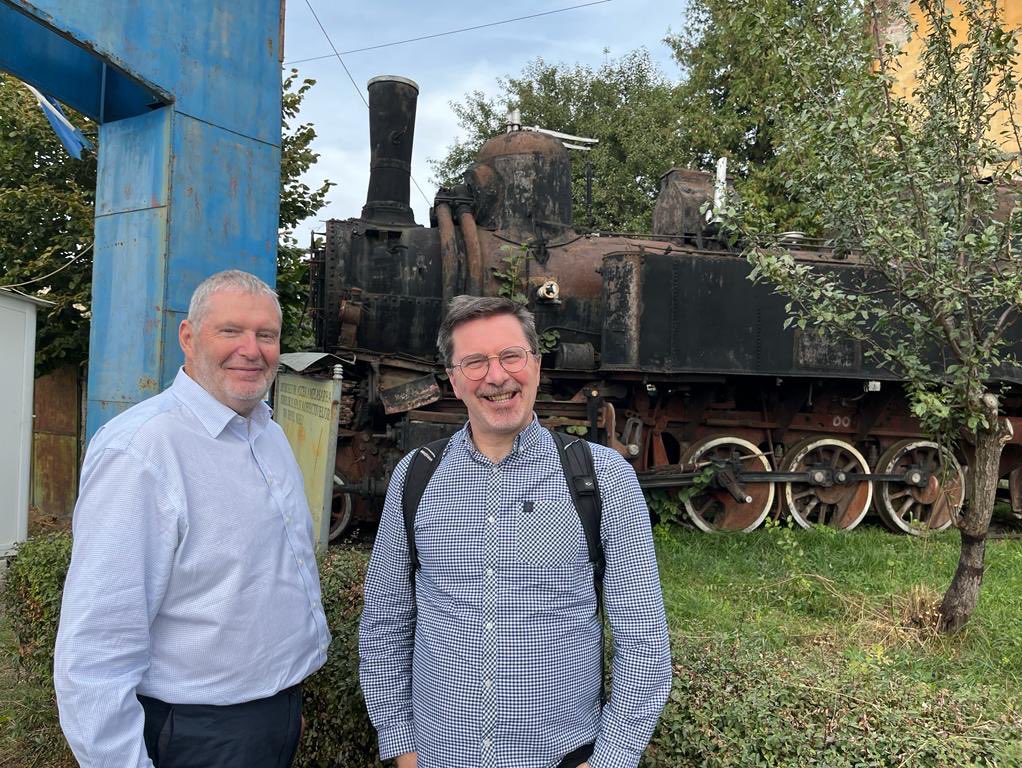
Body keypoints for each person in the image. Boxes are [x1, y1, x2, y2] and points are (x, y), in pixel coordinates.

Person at [359, 295, 671, 768]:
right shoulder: (416, 475)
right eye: (475, 362)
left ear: (537, 365)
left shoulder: (601, 477)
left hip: (560, 756)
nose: (497, 376)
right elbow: (385, 621)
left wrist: (610, 759)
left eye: (511, 356)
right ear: (454, 380)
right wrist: (401, 745)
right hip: (441, 755)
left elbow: (643, 636)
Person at [54, 270, 331, 768]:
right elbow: (96, 646)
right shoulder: (142, 451)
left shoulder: (266, 431)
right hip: (197, 733)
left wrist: (282, 705)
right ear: (187, 337)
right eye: (230, 331)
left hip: (270, 713)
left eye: (266, 334)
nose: (252, 349)